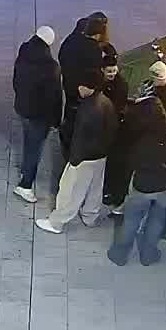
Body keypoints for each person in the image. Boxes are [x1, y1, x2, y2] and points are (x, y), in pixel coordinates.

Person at [107, 99, 166, 266]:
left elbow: (131, 163)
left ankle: (119, 255)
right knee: (157, 221)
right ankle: (148, 255)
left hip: (141, 186)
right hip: (164, 188)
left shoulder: (138, 138)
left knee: (131, 221)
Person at [36, 69, 115, 233]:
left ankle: (57, 222)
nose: (78, 89)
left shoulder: (87, 109)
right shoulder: (105, 102)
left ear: (88, 87)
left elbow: (79, 137)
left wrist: (74, 160)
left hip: (84, 157)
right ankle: (90, 216)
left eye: (81, 86)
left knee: (70, 190)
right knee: (95, 187)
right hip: (101, 154)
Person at [12, 27, 62, 202]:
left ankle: (26, 168)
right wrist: (56, 120)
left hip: (22, 109)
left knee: (28, 141)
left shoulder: (24, 52)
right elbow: (55, 97)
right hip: (39, 116)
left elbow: (15, 80)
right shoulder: (51, 67)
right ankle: (25, 185)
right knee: (35, 148)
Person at [98, 46, 135, 214]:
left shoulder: (121, 85)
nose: (112, 74)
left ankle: (107, 189)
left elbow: (117, 107)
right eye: (109, 71)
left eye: (114, 71)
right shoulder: (99, 81)